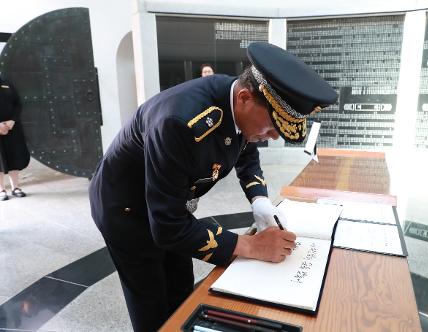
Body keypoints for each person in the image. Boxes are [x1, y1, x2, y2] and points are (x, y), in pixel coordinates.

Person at [89, 42, 337, 331]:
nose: (269, 137)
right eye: (271, 128)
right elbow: (168, 227)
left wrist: (259, 199)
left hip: (169, 202)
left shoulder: (235, 103)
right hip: (126, 208)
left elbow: (245, 149)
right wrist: (250, 245)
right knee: (151, 299)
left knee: (181, 286)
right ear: (245, 98)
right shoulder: (179, 122)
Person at [0, 76, 30, 201]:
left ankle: (15, 187)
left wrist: (12, 121)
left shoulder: (7, 82)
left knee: (15, 157)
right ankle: (1, 189)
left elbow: (18, 103)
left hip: (12, 127)